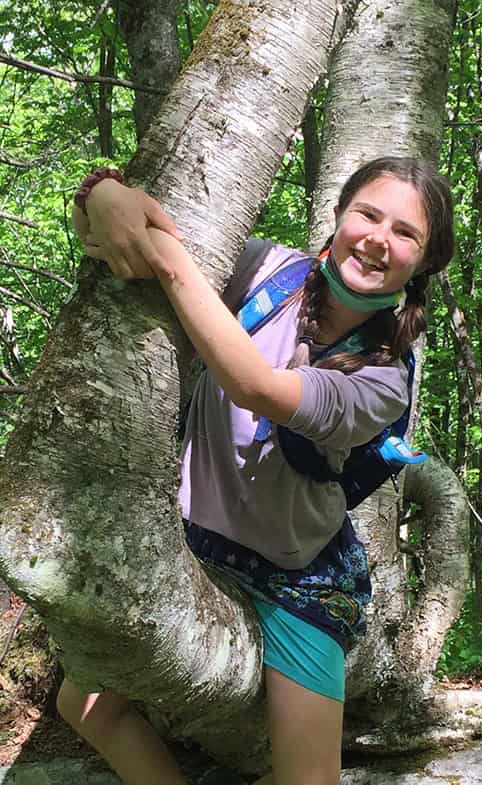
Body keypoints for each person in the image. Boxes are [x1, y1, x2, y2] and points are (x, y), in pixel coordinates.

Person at [56, 157, 455, 785]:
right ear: (339, 216)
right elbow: (127, 225)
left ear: (426, 262)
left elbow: (256, 387)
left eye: (406, 233)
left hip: (299, 577)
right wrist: (101, 193)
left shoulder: (384, 381)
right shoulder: (267, 269)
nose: (379, 238)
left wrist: (164, 259)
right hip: (194, 545)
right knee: (83, 706)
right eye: (368, 214)